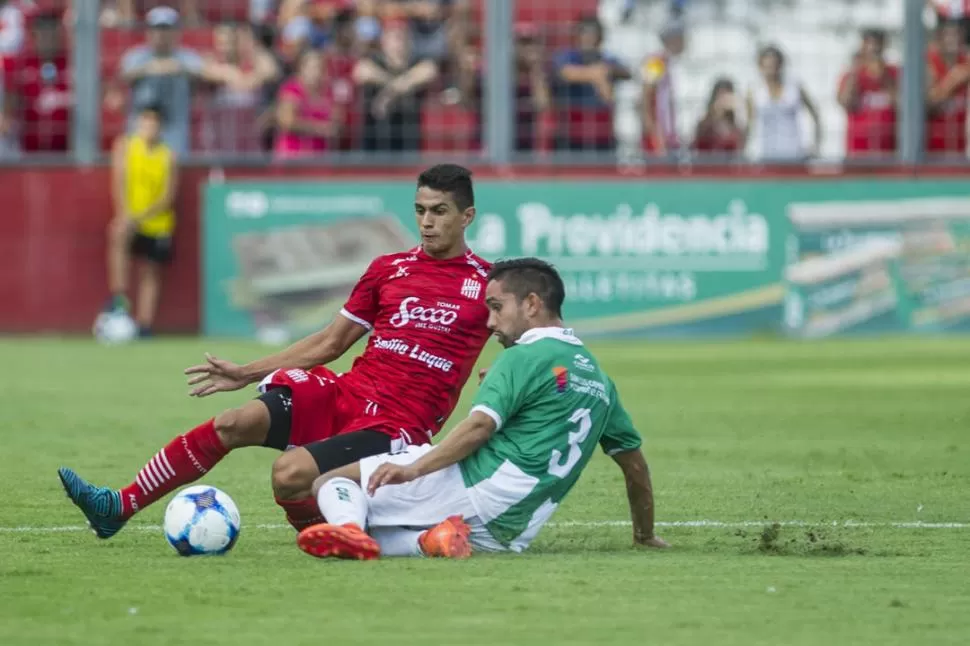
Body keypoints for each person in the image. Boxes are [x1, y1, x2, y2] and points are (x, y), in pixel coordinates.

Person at [58, 164, 493, 540]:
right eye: (420, 210)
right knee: (233, 421)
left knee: (288, 475)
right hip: (349, 395)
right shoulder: (388, 269)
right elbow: (329, 343)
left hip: (398, 426)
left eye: (439, 211)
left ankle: (338, 533)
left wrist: (501, 373)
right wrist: (247, 373)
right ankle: (118, 506)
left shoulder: (489, 286)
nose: (427, 222)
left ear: (467, 216)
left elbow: (531, 340)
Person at [296, 258, 669, 560]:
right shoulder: (600, 380)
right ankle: (430, 542)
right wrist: (645, 535)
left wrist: (413, 469)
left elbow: (478, 429)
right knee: (374, 523)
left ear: (532, 304)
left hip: (475, 487)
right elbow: (634, 466)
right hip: (510, 531)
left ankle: (348, 530)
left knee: (332, 482)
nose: (490, 322)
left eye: (496, 307)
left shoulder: (522, 356)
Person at [101, 103, 177, 338]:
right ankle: (119, 299)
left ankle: (145, 324)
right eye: (145, 122)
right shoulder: (125, 146)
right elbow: (119, 182)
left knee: (150, 271)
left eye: (154, 123)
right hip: (130, 218)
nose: (149, 127)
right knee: (117, 233)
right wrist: (126, 215)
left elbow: (167, 196)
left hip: (157, 222)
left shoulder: (168, 155)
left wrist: (139, 217)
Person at [553, 16, 631, 152]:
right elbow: (565, 72)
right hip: (571, 131)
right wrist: (596, 74)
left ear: (600, 37)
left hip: (602, 132)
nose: (588, 37)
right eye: (583, 32)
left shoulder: (607, 59)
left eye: (592, 33)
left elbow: (627, 73)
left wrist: (604, 72)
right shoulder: (568, 56)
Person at [746, 45, 822, 162]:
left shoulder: (795, 87)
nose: (771, 70)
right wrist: (745, 151)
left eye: (774, 65)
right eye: (767, 66)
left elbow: (815, 114)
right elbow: (749, 124)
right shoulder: (754, 91)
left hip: (795, 156)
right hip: (765, 156)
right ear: (760, 67)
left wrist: (816, 145)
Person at [837, 28, 898, 158]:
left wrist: (884, 77)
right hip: (858, 153)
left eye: (877, 44)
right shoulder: (851, 74)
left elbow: (900, 104)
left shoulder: (894, 73)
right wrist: (855, 71)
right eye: (869, 44)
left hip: (889, 153)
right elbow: (845, 102)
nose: (873, 49)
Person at [274, 50, 338, 159]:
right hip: (293, 157)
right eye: (311, 68)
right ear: (300, 68)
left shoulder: (327, 91)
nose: (315, 72)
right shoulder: (291, 89)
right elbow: (286, 122)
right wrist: (319, 128)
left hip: (320, 158)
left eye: (319, 68)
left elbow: (336, 123)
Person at [640, 19, 686, 158]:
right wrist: (654, 134)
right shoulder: (655, 62)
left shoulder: (672, 63)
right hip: (658, 137)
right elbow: (645, 97)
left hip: (669, 137)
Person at [927, 20, 970, 157]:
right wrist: (952, 82)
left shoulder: (966, 63)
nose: (954, 39)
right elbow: (926, 106)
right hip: (932, 152)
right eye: (950, 35)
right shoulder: (929, 63)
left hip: (962, 150)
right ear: (939, 38)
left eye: (958, 34)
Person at [692, 78, 743, 157]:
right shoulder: (704, 125)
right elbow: (697, 148)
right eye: (721, 95)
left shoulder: (734, 127)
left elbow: (740, 149)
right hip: (707, 166)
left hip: (729, 167)